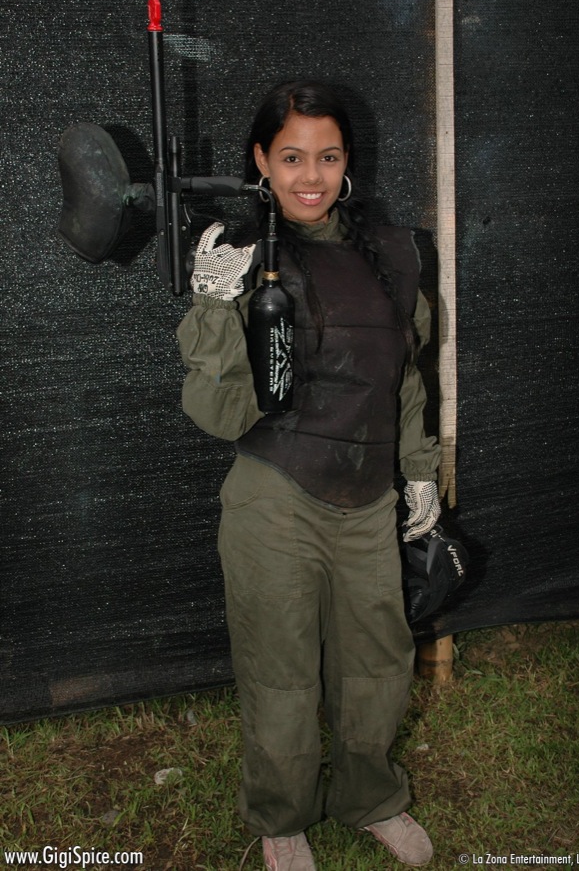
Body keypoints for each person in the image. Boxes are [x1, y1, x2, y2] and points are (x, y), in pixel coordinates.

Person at [176, 80, 441, 871]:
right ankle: (282, 817)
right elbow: (220, 414)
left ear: (347, 159)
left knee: (378, 667)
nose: (311, 176)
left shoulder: (393, 252)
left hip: (368, 499)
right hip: (275, 497)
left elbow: (405, 377)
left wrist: (419, 473)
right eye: (291, 157)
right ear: (261, 160)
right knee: (281, 673)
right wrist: (213, 306)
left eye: (327, 156)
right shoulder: (241, 257)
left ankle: (371, 798)